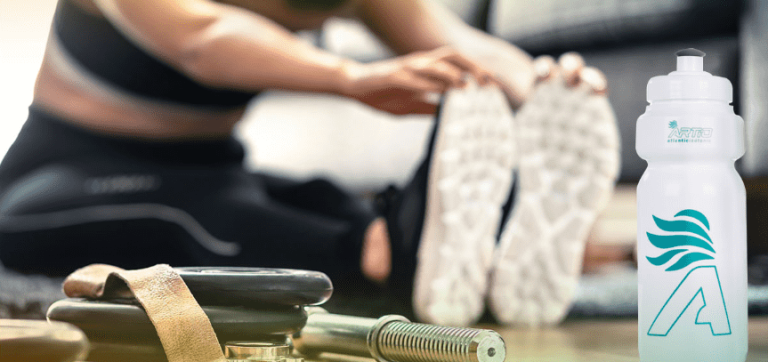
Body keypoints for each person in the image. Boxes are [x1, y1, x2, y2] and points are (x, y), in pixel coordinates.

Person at [0, 0, 618, 326]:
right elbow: (203, 39)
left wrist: (545, 84)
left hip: (216, 165)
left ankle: (431, 244)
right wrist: (350, 77)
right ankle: (385, 258)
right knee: (201, 218)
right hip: (58, 177)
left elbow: (457, 44)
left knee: (322, 197)